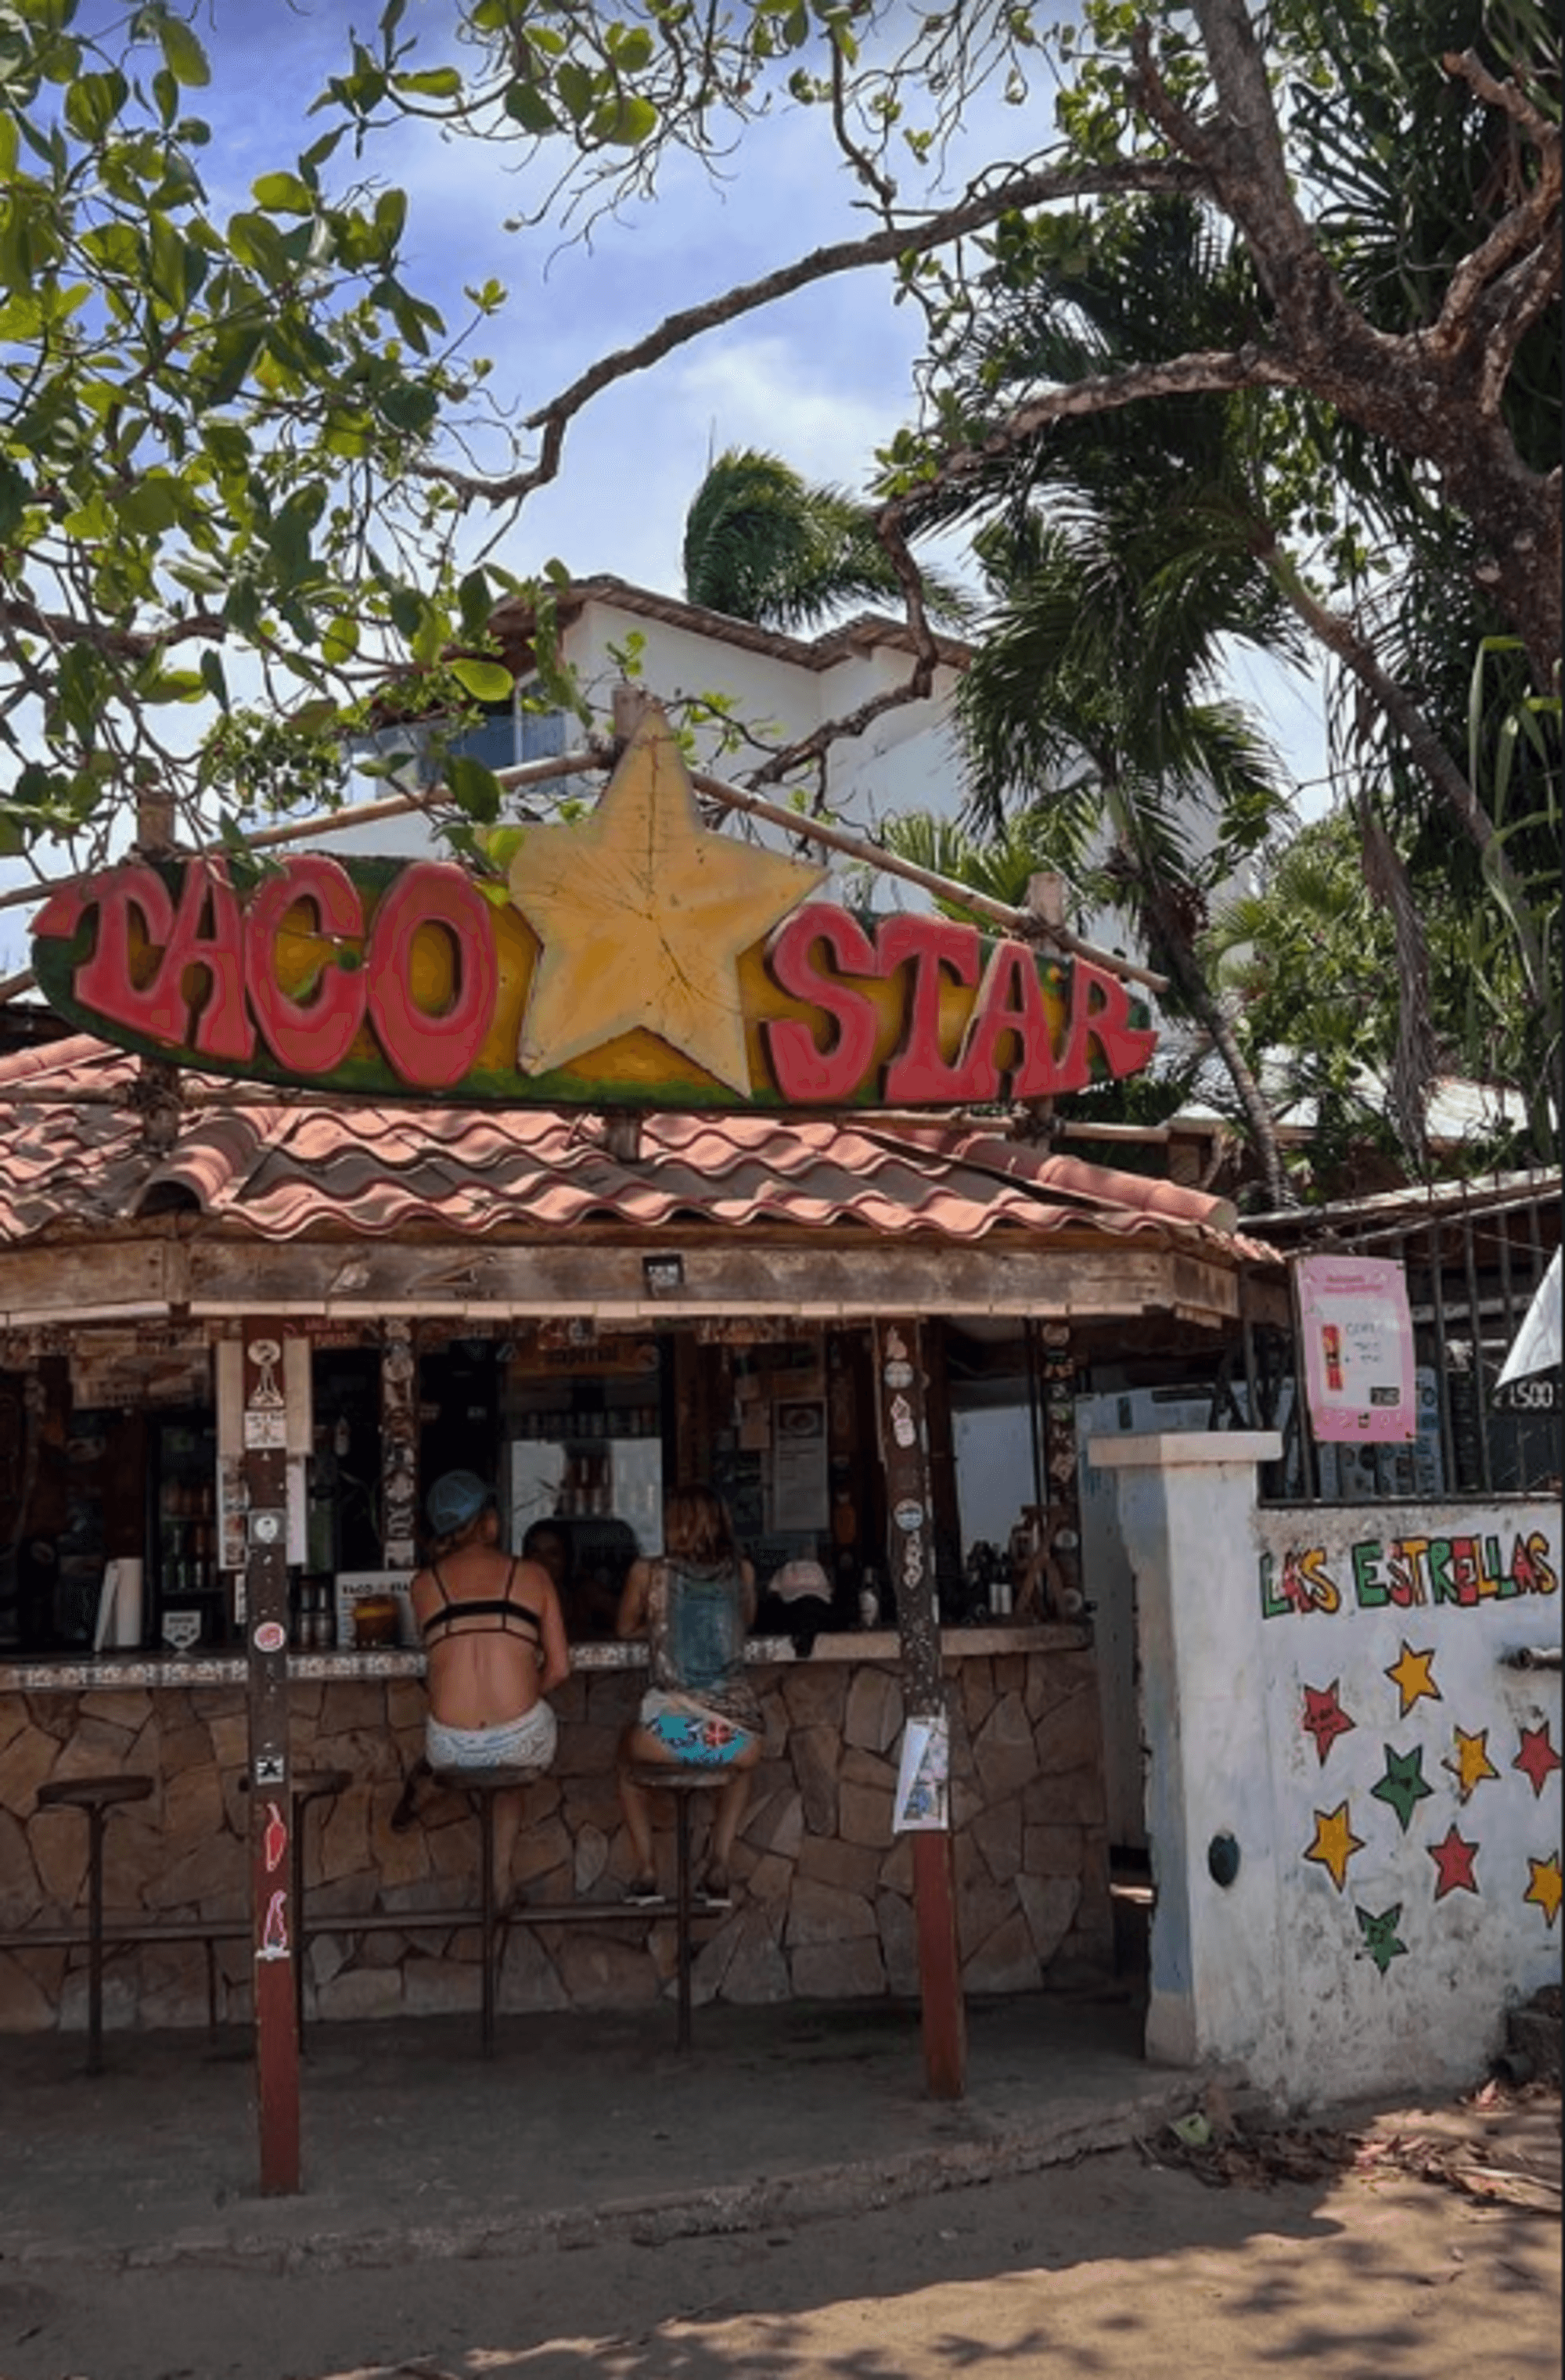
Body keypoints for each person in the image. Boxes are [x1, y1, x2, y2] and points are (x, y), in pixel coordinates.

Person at [405, 1469, 570, 1903]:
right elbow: (559, 1669)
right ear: (487, 1521)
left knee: (479, 1753)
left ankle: (433, 1778)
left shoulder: (423, 1586)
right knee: (513, 1756)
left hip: (448, 1748)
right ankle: (499, 1877)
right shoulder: (533, 1576)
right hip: (520, 1743)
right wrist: (517, 1692)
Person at [614, 1484, 762, 1908]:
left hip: (667, 1739)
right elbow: (742, 1624)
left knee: (626, 1755)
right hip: (738, 1743)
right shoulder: (744, 1573)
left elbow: (624, 1628)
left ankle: (646, 1869)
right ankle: (718, 1862)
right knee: (740, 1759)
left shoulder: (647, 1573)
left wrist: (663, 1624)